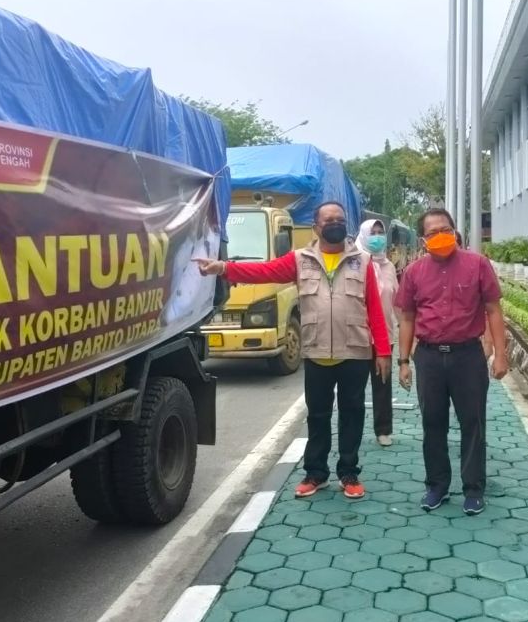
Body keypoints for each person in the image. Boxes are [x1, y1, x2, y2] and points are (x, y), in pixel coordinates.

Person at [195, 202, 391, 500]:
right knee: (318, 415)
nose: (335, 224)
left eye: (340, 219)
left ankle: (349, 473)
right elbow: (264, 271)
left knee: (352, 414)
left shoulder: (361, 262)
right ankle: (316, 474)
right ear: (316, 227)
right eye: (328, 220)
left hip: (355, 352)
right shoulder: (301, 260)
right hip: (316, 353)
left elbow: (374, 309)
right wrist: (224, 268)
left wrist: (383, 352)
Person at [395, 208, 509, 515]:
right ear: (423, 239)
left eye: (445, 229)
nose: (440, 236)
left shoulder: (477, 264)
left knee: (473, 423)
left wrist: (501, 354)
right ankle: (437, 486)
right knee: (433, 423)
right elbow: (407, 317)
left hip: (468, 356)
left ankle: (473, 489)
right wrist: (403, 361)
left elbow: (494, 310)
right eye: (432, 233)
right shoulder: (415, 272)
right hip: (429, 357)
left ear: (455, 231)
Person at [356, 218, 399, 446]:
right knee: (354, 387)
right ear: (363, 234)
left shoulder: (389, 266)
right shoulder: (355, 263)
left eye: (380, 232)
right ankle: (353, 430)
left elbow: (397, 302)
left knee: (382, 383)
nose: (377, 236)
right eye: (372, 232)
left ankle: (383, 429)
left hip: (385, 335)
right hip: (358, 336)